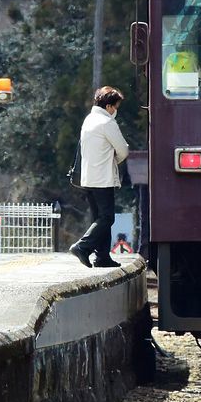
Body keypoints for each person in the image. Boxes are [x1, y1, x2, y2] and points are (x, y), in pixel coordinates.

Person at [69, 85, 129, 268]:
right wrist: (113, 161)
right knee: (107, 218)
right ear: (109, 106)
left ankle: (102, 257)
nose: (116, 110)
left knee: (99, 218)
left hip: (88, 178)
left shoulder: (88, 120)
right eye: (116, 106)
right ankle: (82, 246)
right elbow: (123, 150)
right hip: (103, 178)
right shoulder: (107, 122)